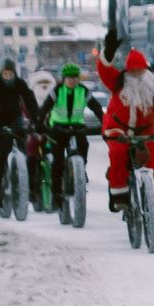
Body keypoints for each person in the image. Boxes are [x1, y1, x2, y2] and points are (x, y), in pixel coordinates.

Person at [100, 48, 154, 218]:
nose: (137, 73)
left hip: (146, 133)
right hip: (118, 129)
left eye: (140, 69)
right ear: (128, 71)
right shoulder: (119, 83)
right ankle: (119, 195)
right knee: (118, 154)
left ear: (146, 70)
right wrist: (106, 56)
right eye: (133, 70)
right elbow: (104, 71)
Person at [0, 61, 40, 210]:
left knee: (24, 150)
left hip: (14, 118)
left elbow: (29, 99)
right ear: (1, 74)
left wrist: (35, 119)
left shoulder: (19, 83)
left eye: (11, 74)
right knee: (0, 155)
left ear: (14, 74)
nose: (8, 77)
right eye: (6, 74)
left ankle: (28, 186)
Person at [43, 60, 95, 206]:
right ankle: (56, 194)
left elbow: (96, 108)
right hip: (58, 128)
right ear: (63, 79)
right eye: (69, 78)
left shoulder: (83, 91)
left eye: (75, 78)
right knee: (58, 162)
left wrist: (106, 123)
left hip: (76, 127)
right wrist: (40, 124)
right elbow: (45, 109)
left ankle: (80, 170)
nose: (72, 81)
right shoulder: (57, 91)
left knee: (84, 144)